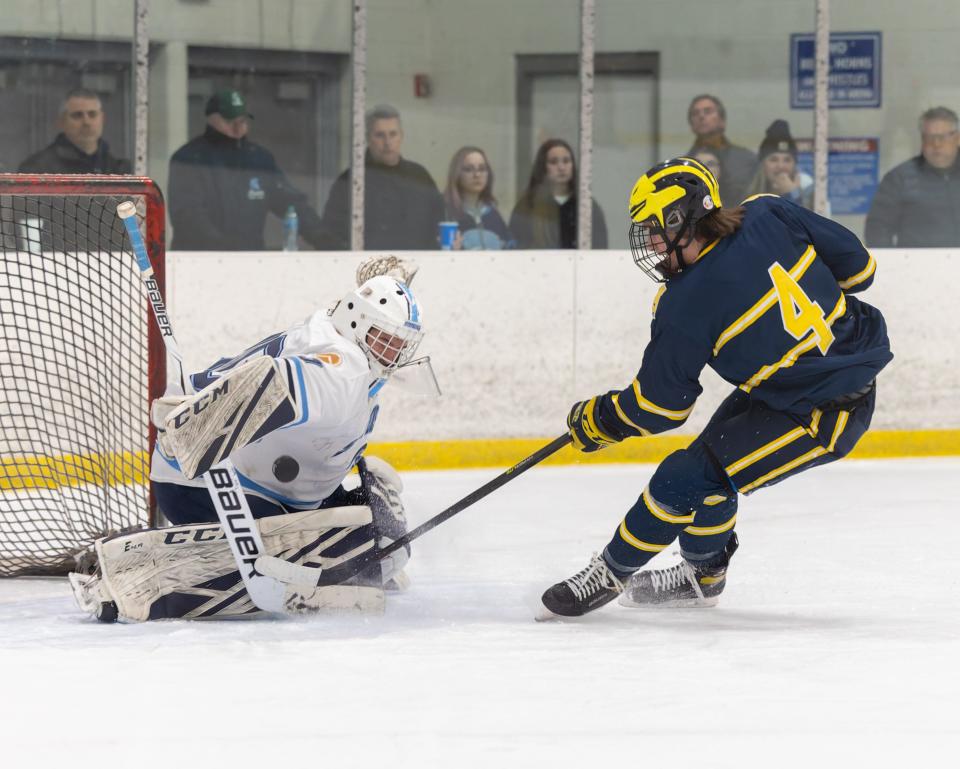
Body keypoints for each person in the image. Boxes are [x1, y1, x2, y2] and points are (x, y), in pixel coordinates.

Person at [539, 156, 891, 619]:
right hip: (795, 389)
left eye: (652, 228)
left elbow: (660, 408)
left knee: (684, 476)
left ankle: (609, 573)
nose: (647, 241)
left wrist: (600, 419)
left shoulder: (683, 302)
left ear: (679, 217)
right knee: (706, 468)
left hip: (823, 414)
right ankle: (702, 578)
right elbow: (860, 271)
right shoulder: (768, 211)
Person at [70, 258, 429, 622]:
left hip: (248, 482)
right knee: (368, 547)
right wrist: (201, 422)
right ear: (356, 320)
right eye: (385, 340)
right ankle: (133, 573)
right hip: (207, 483)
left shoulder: (335, 332)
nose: (394, 354)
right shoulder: (344, 371)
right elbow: (283, 382)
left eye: (400, 344)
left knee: (381, 536)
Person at [168, 89, 331, 250]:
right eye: (230, 121)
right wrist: (221, 247)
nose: (238, 128)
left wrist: (320, 235)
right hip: (200, 263)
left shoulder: (259, 159)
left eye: (243, 121)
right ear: (212, 119)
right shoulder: (189, 159)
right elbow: (187, 215)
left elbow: (289, 201)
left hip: (250, 262)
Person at [320, 104, 443, 250]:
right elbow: (332, 233)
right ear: (367, 138)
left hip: (417, 266)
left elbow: (439, 224)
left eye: (393, 134)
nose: (387, 142)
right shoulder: (351, 181)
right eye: (380, 135)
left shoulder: (419, 177)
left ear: (401, 136)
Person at [865, 106, 960, 247]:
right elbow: (877, 229)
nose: (936, 144)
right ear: (922, 139)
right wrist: (894, 265)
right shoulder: (899, 179)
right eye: (929, 137)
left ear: (957, 138)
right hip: (916, 266)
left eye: (942, 137)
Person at [509, 138, 608, 249]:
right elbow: (516, 248)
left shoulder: (587, 207)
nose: (561, 168)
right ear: (543, 167)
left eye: (566, 161)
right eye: (553, 162)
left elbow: (599, 248)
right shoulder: (527, 207)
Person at [18, 88, 131, 174]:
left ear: (103, 119)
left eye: (92, 114)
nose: (86, 122)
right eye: (77, 115)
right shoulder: (37, 170)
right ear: (61, 122)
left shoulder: (119, 170)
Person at [686, 94, 757, 205]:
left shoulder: (746, 159)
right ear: (691, 125)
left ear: (722, 121)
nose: (701, 116)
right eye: (695, 113)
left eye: (708, 111)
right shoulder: (684, 165)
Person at [443, 146, 514, 249]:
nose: (477, 175)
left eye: (482, 169)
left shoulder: (493, 214)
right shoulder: (446, 212)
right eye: (469, 169)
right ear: (457, 174)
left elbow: (511, 250)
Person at [745, 119, 814, 209]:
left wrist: (793, 195)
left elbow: (807, 221)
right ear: (763, 165)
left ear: (795, 165)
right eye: (773, 159)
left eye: (787, 160)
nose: (781, 166)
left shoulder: (808, 188)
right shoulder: (749, 189)